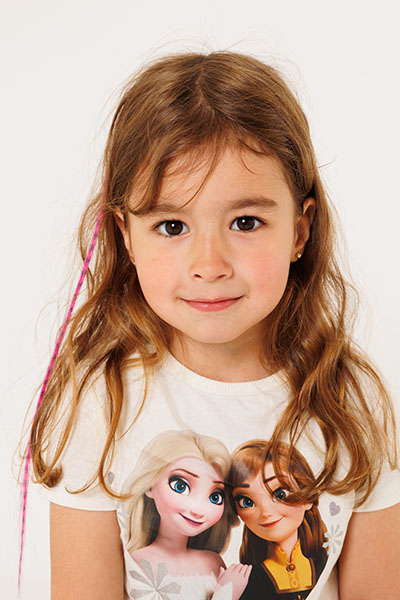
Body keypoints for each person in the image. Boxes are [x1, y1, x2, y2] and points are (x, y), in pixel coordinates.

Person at [26, 51, 400, 599]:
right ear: (126, 236)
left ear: (300, 231)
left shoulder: (351, 400)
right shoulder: (99, 400)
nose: (209, 264)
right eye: (171, 226)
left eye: (245, 222)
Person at [118, 429, 249, 599]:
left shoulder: (212, 562)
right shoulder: (141, 561)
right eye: (180, 486)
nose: (198, 510)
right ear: (150, 486)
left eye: (215, 497)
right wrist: (226, 594)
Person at [229, 439, 328, 598]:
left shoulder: (325, 561)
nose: (265, 512)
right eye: (247, 502)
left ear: (307, 497)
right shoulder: (248, 579)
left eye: (280, 494)